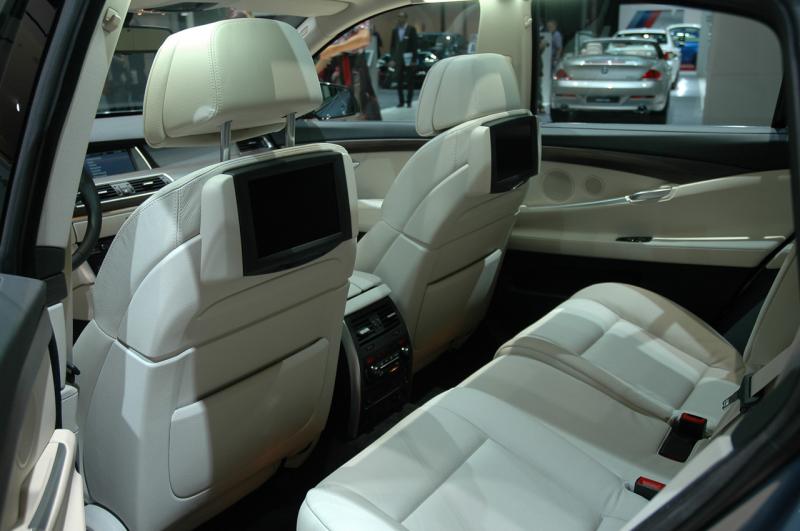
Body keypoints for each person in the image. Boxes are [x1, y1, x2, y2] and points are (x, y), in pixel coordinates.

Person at [390, 12, 418, 108]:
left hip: (409, 59)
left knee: (410, 81)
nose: (400, 19)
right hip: (398, 59)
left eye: (402, 17)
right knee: (399, 80)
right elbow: (392, 46)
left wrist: (414, 59)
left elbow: (415, 45)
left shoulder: (411, 30)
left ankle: (409, 101)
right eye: (399, 17)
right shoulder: (395, 31)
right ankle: (401, 101)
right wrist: (392, 59)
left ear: (406, 18)